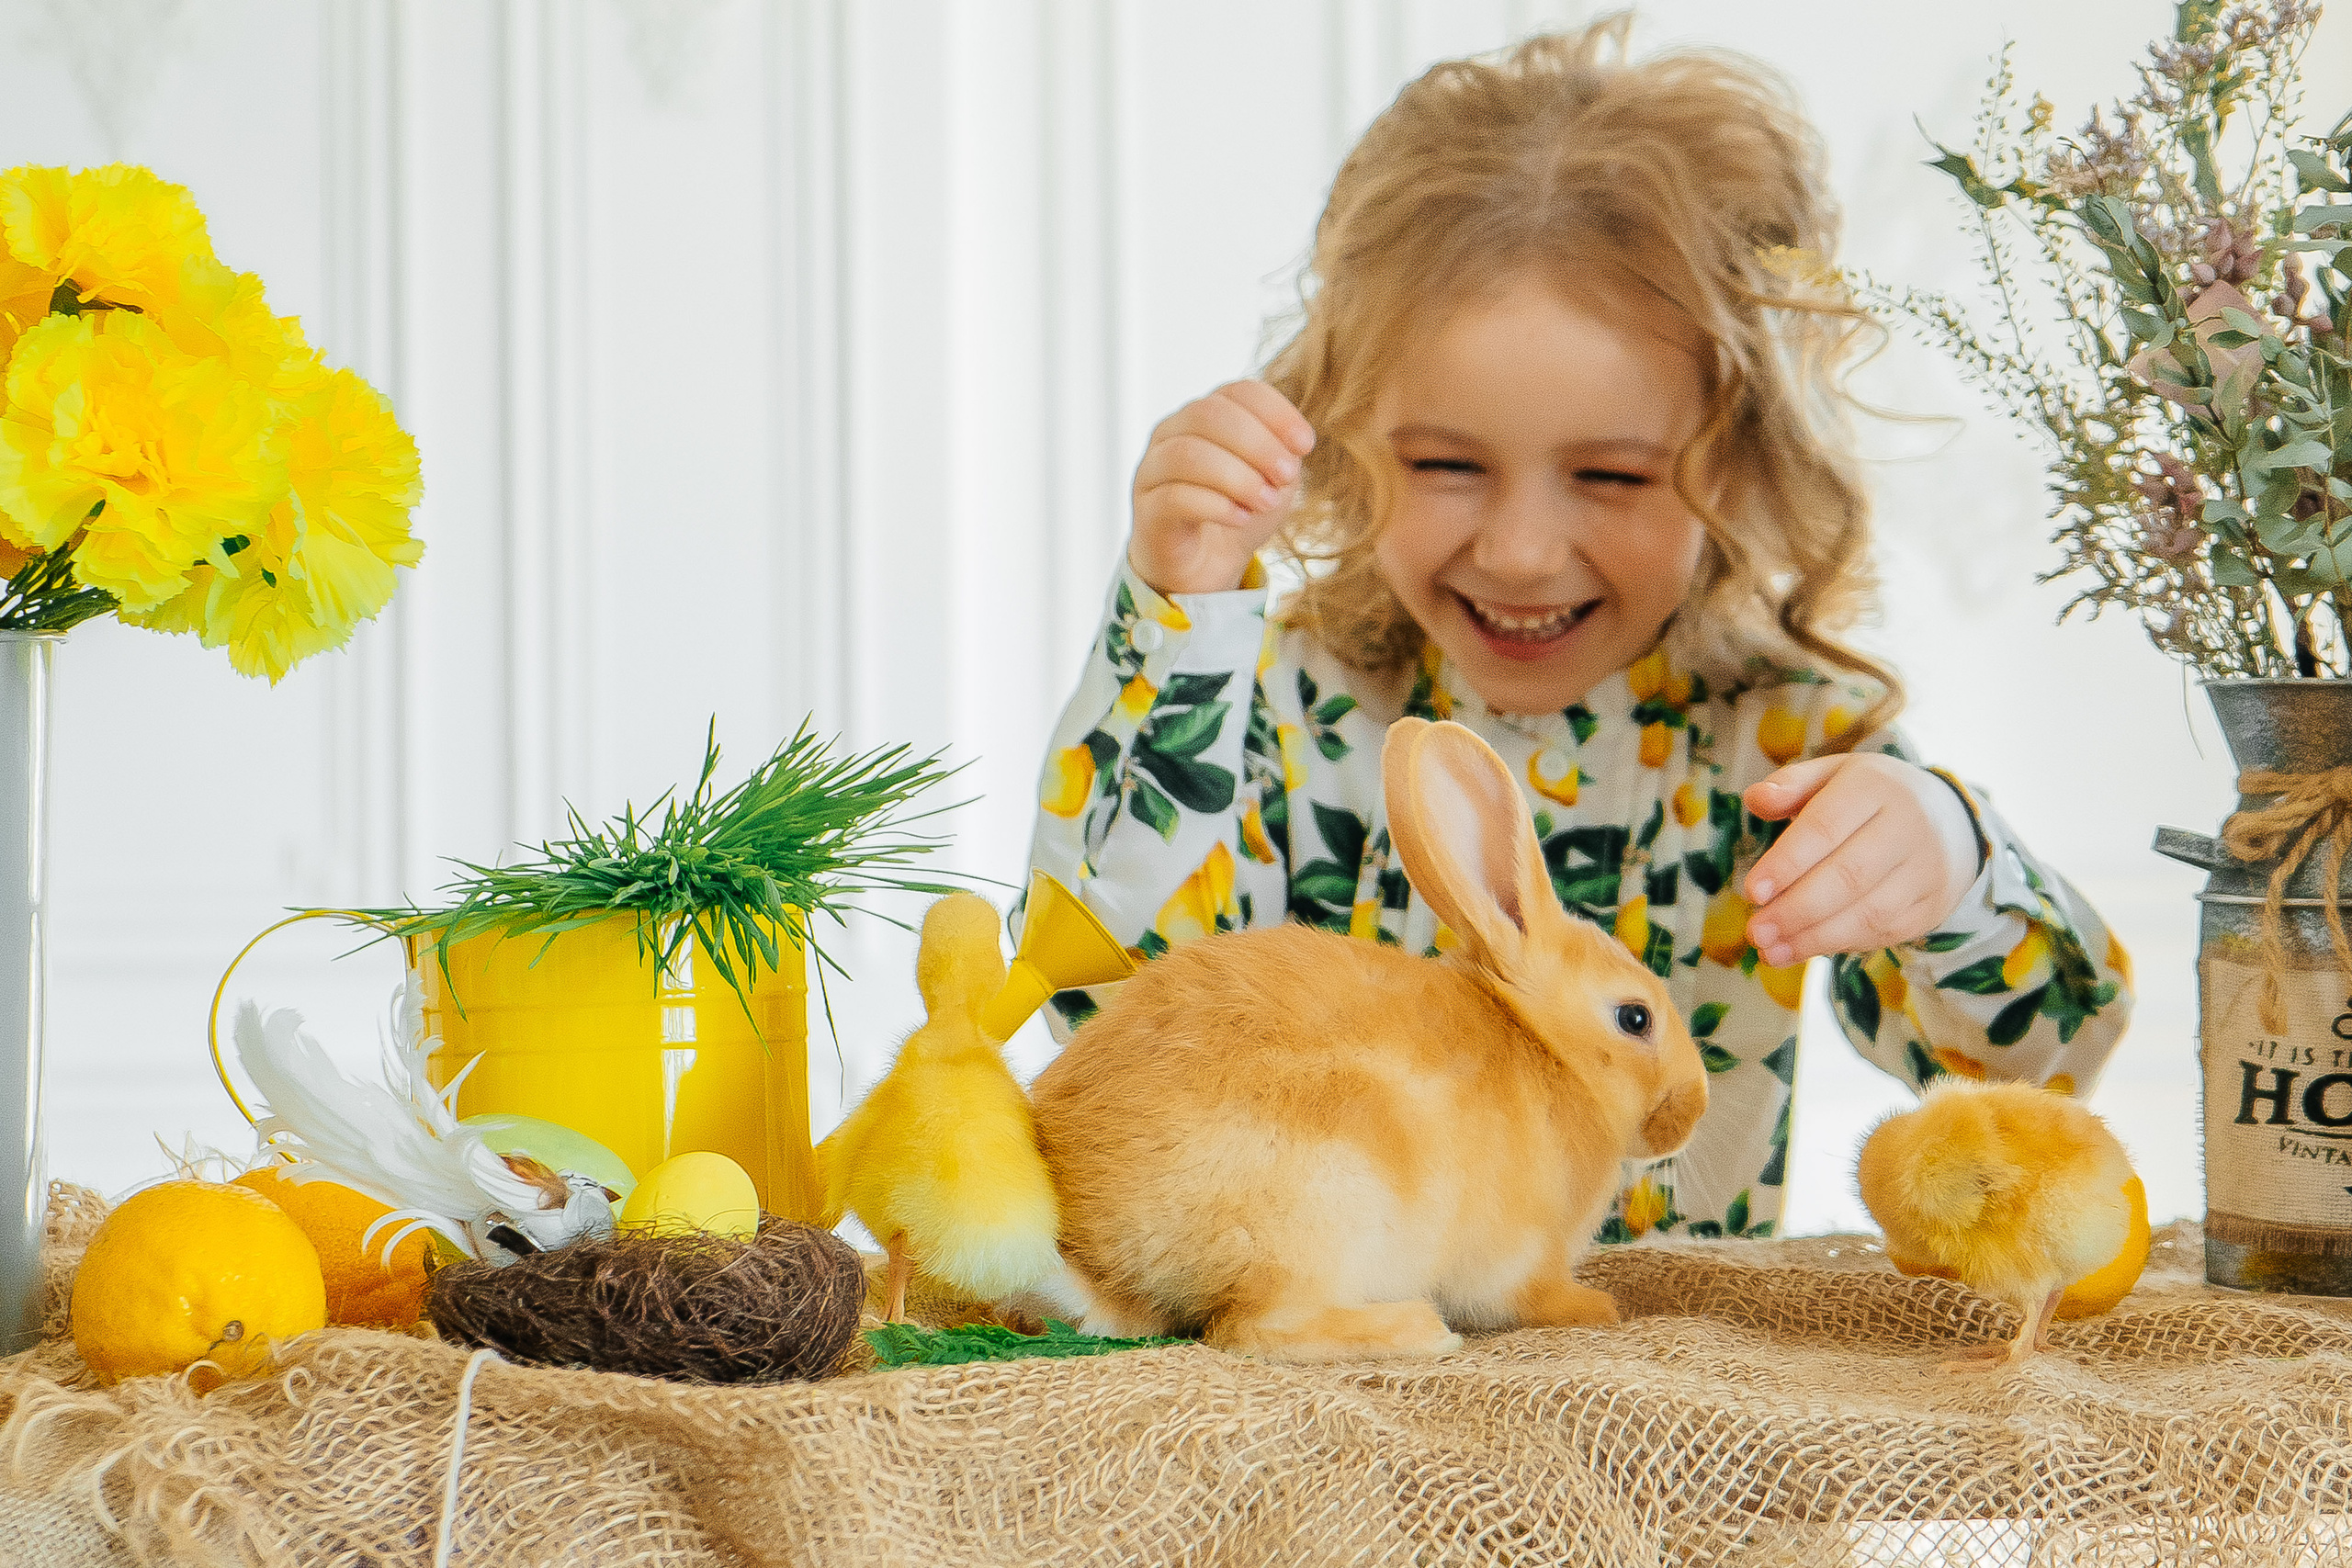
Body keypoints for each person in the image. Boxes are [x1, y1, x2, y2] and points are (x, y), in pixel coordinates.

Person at [1019, 18, 2131, 1241]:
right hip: (1327, 1364)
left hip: (1650, 1389)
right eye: (1445, 463)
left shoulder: (1781, 742)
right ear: (1341, 434)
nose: (1521, 551)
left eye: (1611, 478)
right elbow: (1106, 1007)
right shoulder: (1284, 704)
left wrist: (1952, 870)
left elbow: (2043, 1063)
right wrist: (1182, 620)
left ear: (1748, 469)